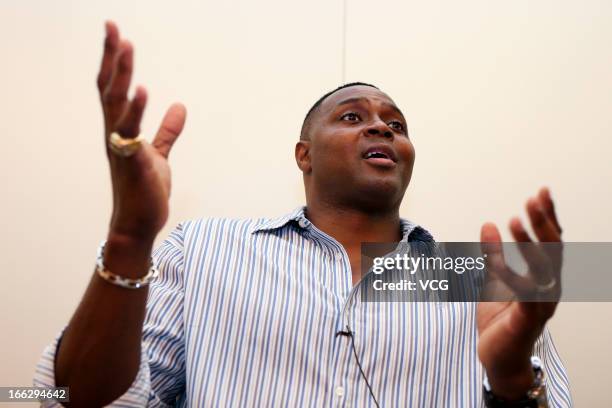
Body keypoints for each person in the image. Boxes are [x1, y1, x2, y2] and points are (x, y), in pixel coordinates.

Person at [34, 21, 571, 407]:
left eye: (397, 124)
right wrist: (129, 236)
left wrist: (512, 385)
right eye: (353, 116)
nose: (382, 128)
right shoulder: (201, 252)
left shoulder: (487, 283)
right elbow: (70, 399)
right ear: (304, 155)